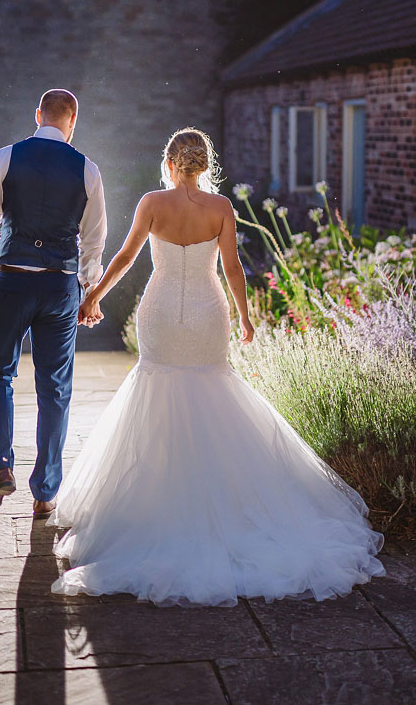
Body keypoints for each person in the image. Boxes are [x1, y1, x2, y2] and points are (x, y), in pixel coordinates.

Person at [49, 128, 384, 605]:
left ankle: (160, 507)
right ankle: (226, 508)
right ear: (205, 165)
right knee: (212, 392)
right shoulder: (221, 209)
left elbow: (125, 257)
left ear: (170, 163)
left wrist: (93, 297)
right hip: (209, 312)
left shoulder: (152, 203)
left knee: (158, 393)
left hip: (161, 311)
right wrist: (245, 317)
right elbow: (231, 269)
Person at [0, 89, 107, 517]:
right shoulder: (88, 170)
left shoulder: (4, 158)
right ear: (72, 120)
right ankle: (45, 491)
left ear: (37, 114)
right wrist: (88, 291)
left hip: (12, 281)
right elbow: (94, 242)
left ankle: (0, 466)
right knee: (54, 388)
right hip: (60, 286)